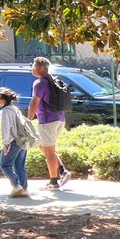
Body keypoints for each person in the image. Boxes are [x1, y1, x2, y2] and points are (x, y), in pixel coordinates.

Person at [26, 56, 71, 191]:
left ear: (41, 68)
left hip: (47, 121)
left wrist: (28, 120)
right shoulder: (53, 80)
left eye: (33, 66)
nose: (32, 68)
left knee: (49, 152)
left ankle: (54, 182)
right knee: (44, 147)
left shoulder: (40, 83)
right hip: (59, 119)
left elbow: (34, 102)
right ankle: (62, 171)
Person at [0, 87, 31, 197]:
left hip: (13, 141)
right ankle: (24, 189)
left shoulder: (5, 111)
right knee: (19, 166)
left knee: (5, 165)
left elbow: (5, 128)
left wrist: (6, 144)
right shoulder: (15, 109)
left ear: (2, 99)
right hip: (23, 140)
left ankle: (16, 185)